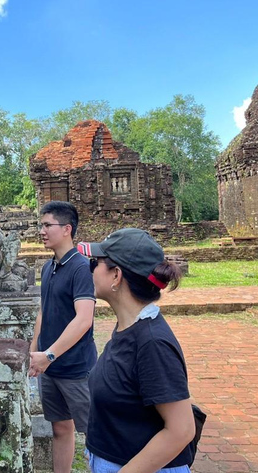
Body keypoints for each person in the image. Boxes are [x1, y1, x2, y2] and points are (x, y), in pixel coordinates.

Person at [77, 228, 195, 472]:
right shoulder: (128, 327)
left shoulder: (152, 343)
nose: (90, 270)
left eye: (94, 263)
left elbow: (181, 429)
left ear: (116, 276)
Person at [28, 201, 97, 473]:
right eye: (40, 225)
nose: (41, 231)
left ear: (67, 229)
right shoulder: (48, 267)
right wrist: (36, 350)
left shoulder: (81, 268)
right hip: (49, 365)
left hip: (76, 367)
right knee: (60, 427)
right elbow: (44, 312)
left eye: (47, 225)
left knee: (94, 431)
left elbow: (83, 319)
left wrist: (50, 354)